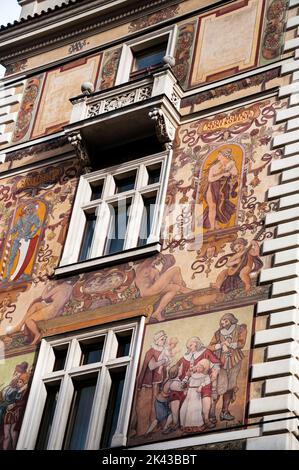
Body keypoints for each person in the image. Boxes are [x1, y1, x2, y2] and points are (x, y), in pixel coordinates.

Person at [6, 280, 73, 345]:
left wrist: (48, 285)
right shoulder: (70, 287)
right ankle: (19, 326)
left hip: (50, 311)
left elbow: (44, 297)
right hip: (58, 310)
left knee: (28, 320)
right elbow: (64, 299)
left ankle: (37, 334)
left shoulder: (58, 287)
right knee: (36, 305)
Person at [208, 313, 247, 421]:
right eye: (222, 321)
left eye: (226, 321)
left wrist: (229, 344)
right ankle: (211, 413)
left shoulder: (240, 329)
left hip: (235, 361)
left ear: (231, 321)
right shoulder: (217, 333)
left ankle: (224, 412)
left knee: (230, 387)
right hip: (221, 362)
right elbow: (210, 346)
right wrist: (221, 345)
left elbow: (241, 343)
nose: (223, 323)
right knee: (219, 387)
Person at [176, 336, 220, 430]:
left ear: (196, 343)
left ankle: (206, 419)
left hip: (204, 381)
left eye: (190, 346)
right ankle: (181, 423)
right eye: (187, 347)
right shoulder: (186, 357)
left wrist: (215, 372)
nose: (188, 348)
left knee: (206, 396)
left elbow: (216, 364)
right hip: (190, 385)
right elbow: (177, 367)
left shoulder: (205, 352)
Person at [135, 255, 192, 322]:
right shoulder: (143, 268)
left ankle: (157, 312)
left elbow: (160, 283)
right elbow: (148, 260)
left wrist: (165, 267)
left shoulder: (155, 270)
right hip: (147, 291)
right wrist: (159, 254)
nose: (159, 262)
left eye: (160, 260)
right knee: (176, 269)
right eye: (158, 259)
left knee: (175, 288)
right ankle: (183, 289)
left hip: (151, 290)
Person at [134, 330, 169, 436]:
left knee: (158, 403)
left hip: (159, 382)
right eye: (162, 339)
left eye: (164, 339)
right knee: (149, 404)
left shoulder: (163, 350)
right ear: (157, 340)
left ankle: (157, 425)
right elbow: (151, 366)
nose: (164, 341)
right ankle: (145, 428)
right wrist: (162, 362)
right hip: (150, 383)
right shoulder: (151, 351)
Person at [2, 203, 42, 282]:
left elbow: (38, 226)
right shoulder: (21, 218)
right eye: (28, 209)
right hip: (18, 238)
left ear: (33, 209)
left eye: (31, 209)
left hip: (26, 239)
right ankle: (7, 276)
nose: (29, 210)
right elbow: (16, 227)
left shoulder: (34, 217)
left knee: (23, 258)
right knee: (11, 257)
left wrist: (30, 235)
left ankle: (20, 273)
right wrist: (12, 230)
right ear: (25, 210)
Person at [201, 148, 238, 231]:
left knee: (220, 207)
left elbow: (235, 173)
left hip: (223, 189)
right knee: (212, 206)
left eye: (220, 155)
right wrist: (222, 175)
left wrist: (229, 167)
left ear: (224, 156)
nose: (218, 156)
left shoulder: (230, 165)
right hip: (212, 187)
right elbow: (210, 179)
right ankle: (212, 227)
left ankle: (216, 223)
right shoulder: (214, 167)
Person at [180, 359, 211, 431]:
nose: (198, 368)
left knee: (194, 408)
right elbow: (186, 383)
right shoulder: (192, 375)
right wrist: (186, 385)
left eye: (201, 367)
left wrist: (201, 386)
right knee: (184, 408)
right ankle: (185, 425)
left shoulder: (205, 376)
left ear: (204, 369)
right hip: (189, 393)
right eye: (198, 367)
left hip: (196, 393)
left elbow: (207, 382)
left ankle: (195, 425)